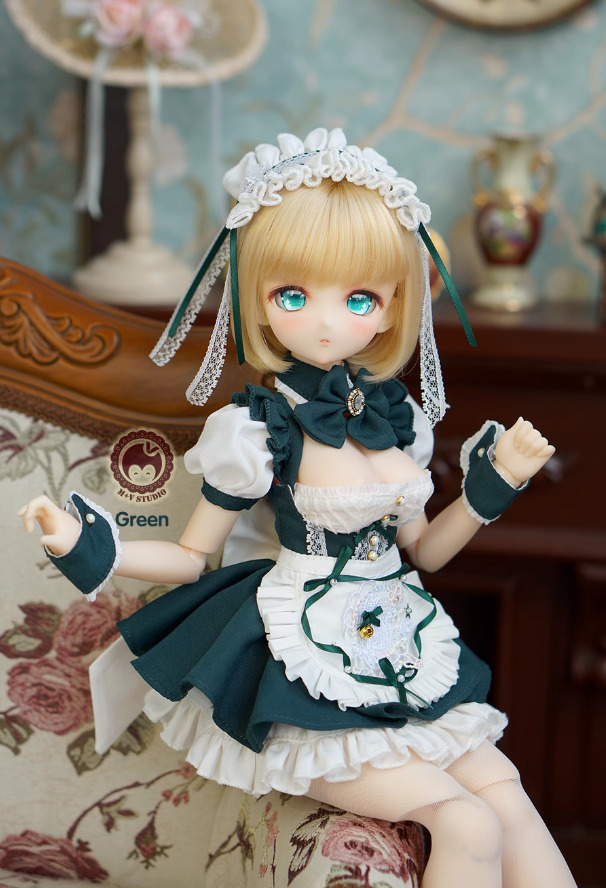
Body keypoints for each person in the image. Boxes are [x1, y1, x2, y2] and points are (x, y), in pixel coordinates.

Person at [19, 128, 576, 888]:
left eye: (359, 299)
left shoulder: (397, 420)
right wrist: (88, 544)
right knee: (466, 821)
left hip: (402, 645)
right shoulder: (259, 429)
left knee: (508, 798)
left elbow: (426, 551)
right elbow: (191, 556)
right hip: (306, 656)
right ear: (256, 297)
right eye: (292, 295)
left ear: (391, 307)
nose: (325, 322)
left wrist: (493, 485)